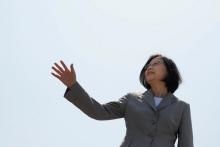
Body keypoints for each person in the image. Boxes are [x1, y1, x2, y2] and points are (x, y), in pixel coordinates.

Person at [51, 54, 194, 147]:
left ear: (169, 71)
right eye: (148, 65)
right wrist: (73, 85)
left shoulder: (181, 108)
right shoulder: (131, 99)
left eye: (156, 63)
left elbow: (186, 144)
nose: (150, 66)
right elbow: (99, 111)